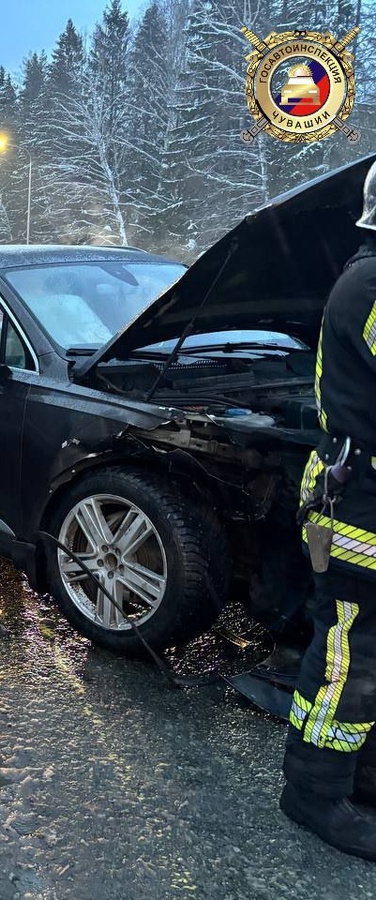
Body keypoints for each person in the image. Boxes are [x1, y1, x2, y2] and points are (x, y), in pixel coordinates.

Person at [282, 160, 376, 860]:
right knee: (349, 653)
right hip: (358, 506)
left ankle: (352, 771)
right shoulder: (370, 285)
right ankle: (313, 792)